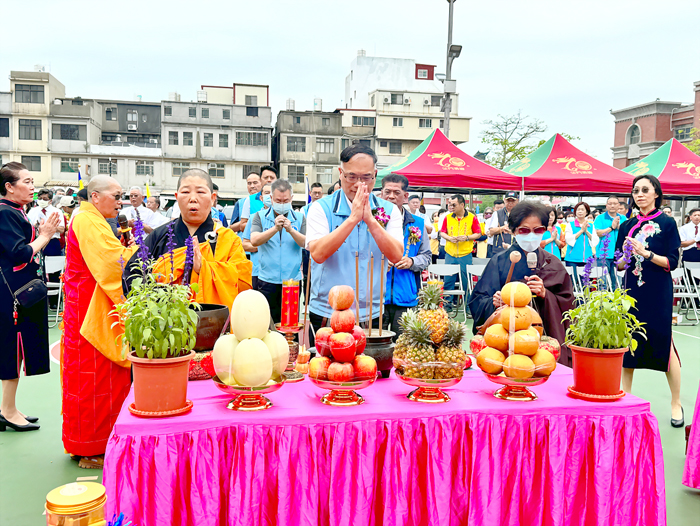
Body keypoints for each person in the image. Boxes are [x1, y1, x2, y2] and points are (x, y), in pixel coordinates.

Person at [62, 175, 139, 468]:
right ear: (95, 196)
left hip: (89, 303)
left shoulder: (90, 218)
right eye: (116, 196)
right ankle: (90, 448)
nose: (120, 203)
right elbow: (110, 263)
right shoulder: (86, 220)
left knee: (103, 377)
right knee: (92, 378)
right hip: (88, 309)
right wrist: (139, 253)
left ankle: (95, 441)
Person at [306, 144, 402, 333]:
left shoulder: (389, 211)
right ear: (341, 173)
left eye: (366, 177)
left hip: (371, 312)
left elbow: (396, 255)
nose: (359, 184)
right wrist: (352, 219)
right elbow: (317, 253)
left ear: (375, 174)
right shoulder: (321, 208)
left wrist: (370, 220)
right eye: (351, 177)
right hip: (328, 310)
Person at [469, 201, 575, 365]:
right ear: (513, 231)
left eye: (537, 230)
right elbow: (477, 301)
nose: (531, 235)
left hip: (544, 343)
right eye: (524, 230)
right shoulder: (499, 262)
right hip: (505, 343)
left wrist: (545, 294)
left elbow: (568, 305)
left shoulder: (552, 263)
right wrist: (493, 302)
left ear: (545, 230)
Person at [616, 174, 683, 427]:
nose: (639, 194)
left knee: (665, 345)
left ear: (656, 193)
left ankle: (675, 402)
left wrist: (646, 253)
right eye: (635, 190)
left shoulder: (667, 224)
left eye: (645, 189)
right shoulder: (626, 225)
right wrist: (624, 256)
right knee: (628, 345)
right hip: (631, 294)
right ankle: (626, 398)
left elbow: (671, 263)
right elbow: (620, 264)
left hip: (658, 293)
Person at [130, 169, 252, 308]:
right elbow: (134, 279)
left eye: (200, 192)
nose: (193, 198)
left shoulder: (228, 239)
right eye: (186, 192)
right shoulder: (159, 236)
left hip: (214, 323)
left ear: (212, 198)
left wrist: (204, 268)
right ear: (177, 197)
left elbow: (242, 283)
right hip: (167, 325)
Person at [0, 163, 61, 432]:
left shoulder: (14, 212)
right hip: (11, 294)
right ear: (9, 187)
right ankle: (8, 411)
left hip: (16, 291)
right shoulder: (5, 214)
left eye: (32, 180)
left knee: (15, 350)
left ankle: (8, 407)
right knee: (12, 351)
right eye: (26, 181)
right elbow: (20, 253)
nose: (32, 186)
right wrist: (46, 235)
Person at [380, 174, 431, 338]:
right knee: (372, 349)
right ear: (381, 193)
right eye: (387, 192)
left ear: (405, 196)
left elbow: (426, 256)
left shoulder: (418, 223)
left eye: (397, 192)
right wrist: (379, 262)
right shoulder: (372, 220)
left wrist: (412, 261)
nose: (391, 197)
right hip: (376, 297)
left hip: (406, 296)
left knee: (402, 346)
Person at [250, 179, 305, 323]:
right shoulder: (259, 217)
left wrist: (291, 230)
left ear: (291, 199)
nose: (282, 204)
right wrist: (274, 229)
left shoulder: (299, 218)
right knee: (267, 325)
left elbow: (306, 242)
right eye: (278, 200)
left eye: (285, 200)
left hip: (292, 282)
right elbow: (254, 240)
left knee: (290, 325)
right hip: (267, 280)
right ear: (271, 199)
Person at [440, 194, 481, 313]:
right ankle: (447, 308)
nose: (451, 207)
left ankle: (468, 307)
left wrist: (467, 237)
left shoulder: (472, 218)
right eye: (450, 204)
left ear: (462, 205)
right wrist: (448, 238)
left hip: (465, 254)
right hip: (450, 253)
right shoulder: (447, 217)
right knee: (448, 281)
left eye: (454, 204)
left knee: (466, 281)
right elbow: (442, 232)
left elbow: (478, 233)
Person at [242, 184, 272, 290]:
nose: (270, 196)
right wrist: (261, 246)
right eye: (267, 193)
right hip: (258, 271)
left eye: (272, 193)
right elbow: (245, 244)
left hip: (278, 275)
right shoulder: (255, 217)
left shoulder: (284, 219)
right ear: (261, 197)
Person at [593, 196, 625, 288]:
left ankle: (616, 302)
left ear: (618, 205)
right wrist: (611, 228)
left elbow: (628, 233)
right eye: (610, 204)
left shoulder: (623, 218)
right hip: (603, 255)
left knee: (617, 283)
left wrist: (620, 228)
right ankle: (602, 302)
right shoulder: (600, 218)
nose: (612, 206)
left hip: (619, 255)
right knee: (602, 283)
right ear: (606, 206)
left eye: (615, 204)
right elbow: (597, 233)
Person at [564, 201, 599, 281]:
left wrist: (586, 231)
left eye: (582, 210)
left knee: (586, 282)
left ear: (586, 212)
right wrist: (581, 231)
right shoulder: (570, 225)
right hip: (572, 259)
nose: (580, 212)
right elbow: (568, 240)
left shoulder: (591, 225)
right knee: (573, 281)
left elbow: (595, 240)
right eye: (578, 210)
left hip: (587, 258)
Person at [27, 188, 65, 256]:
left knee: (53, 264)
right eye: (40, 198)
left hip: (52, 242)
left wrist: (49, 227)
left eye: (45, 199)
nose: (42, 200)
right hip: (36, 241)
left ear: (50, 200)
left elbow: (62, 229)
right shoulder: (32, 211)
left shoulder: (57, 211)